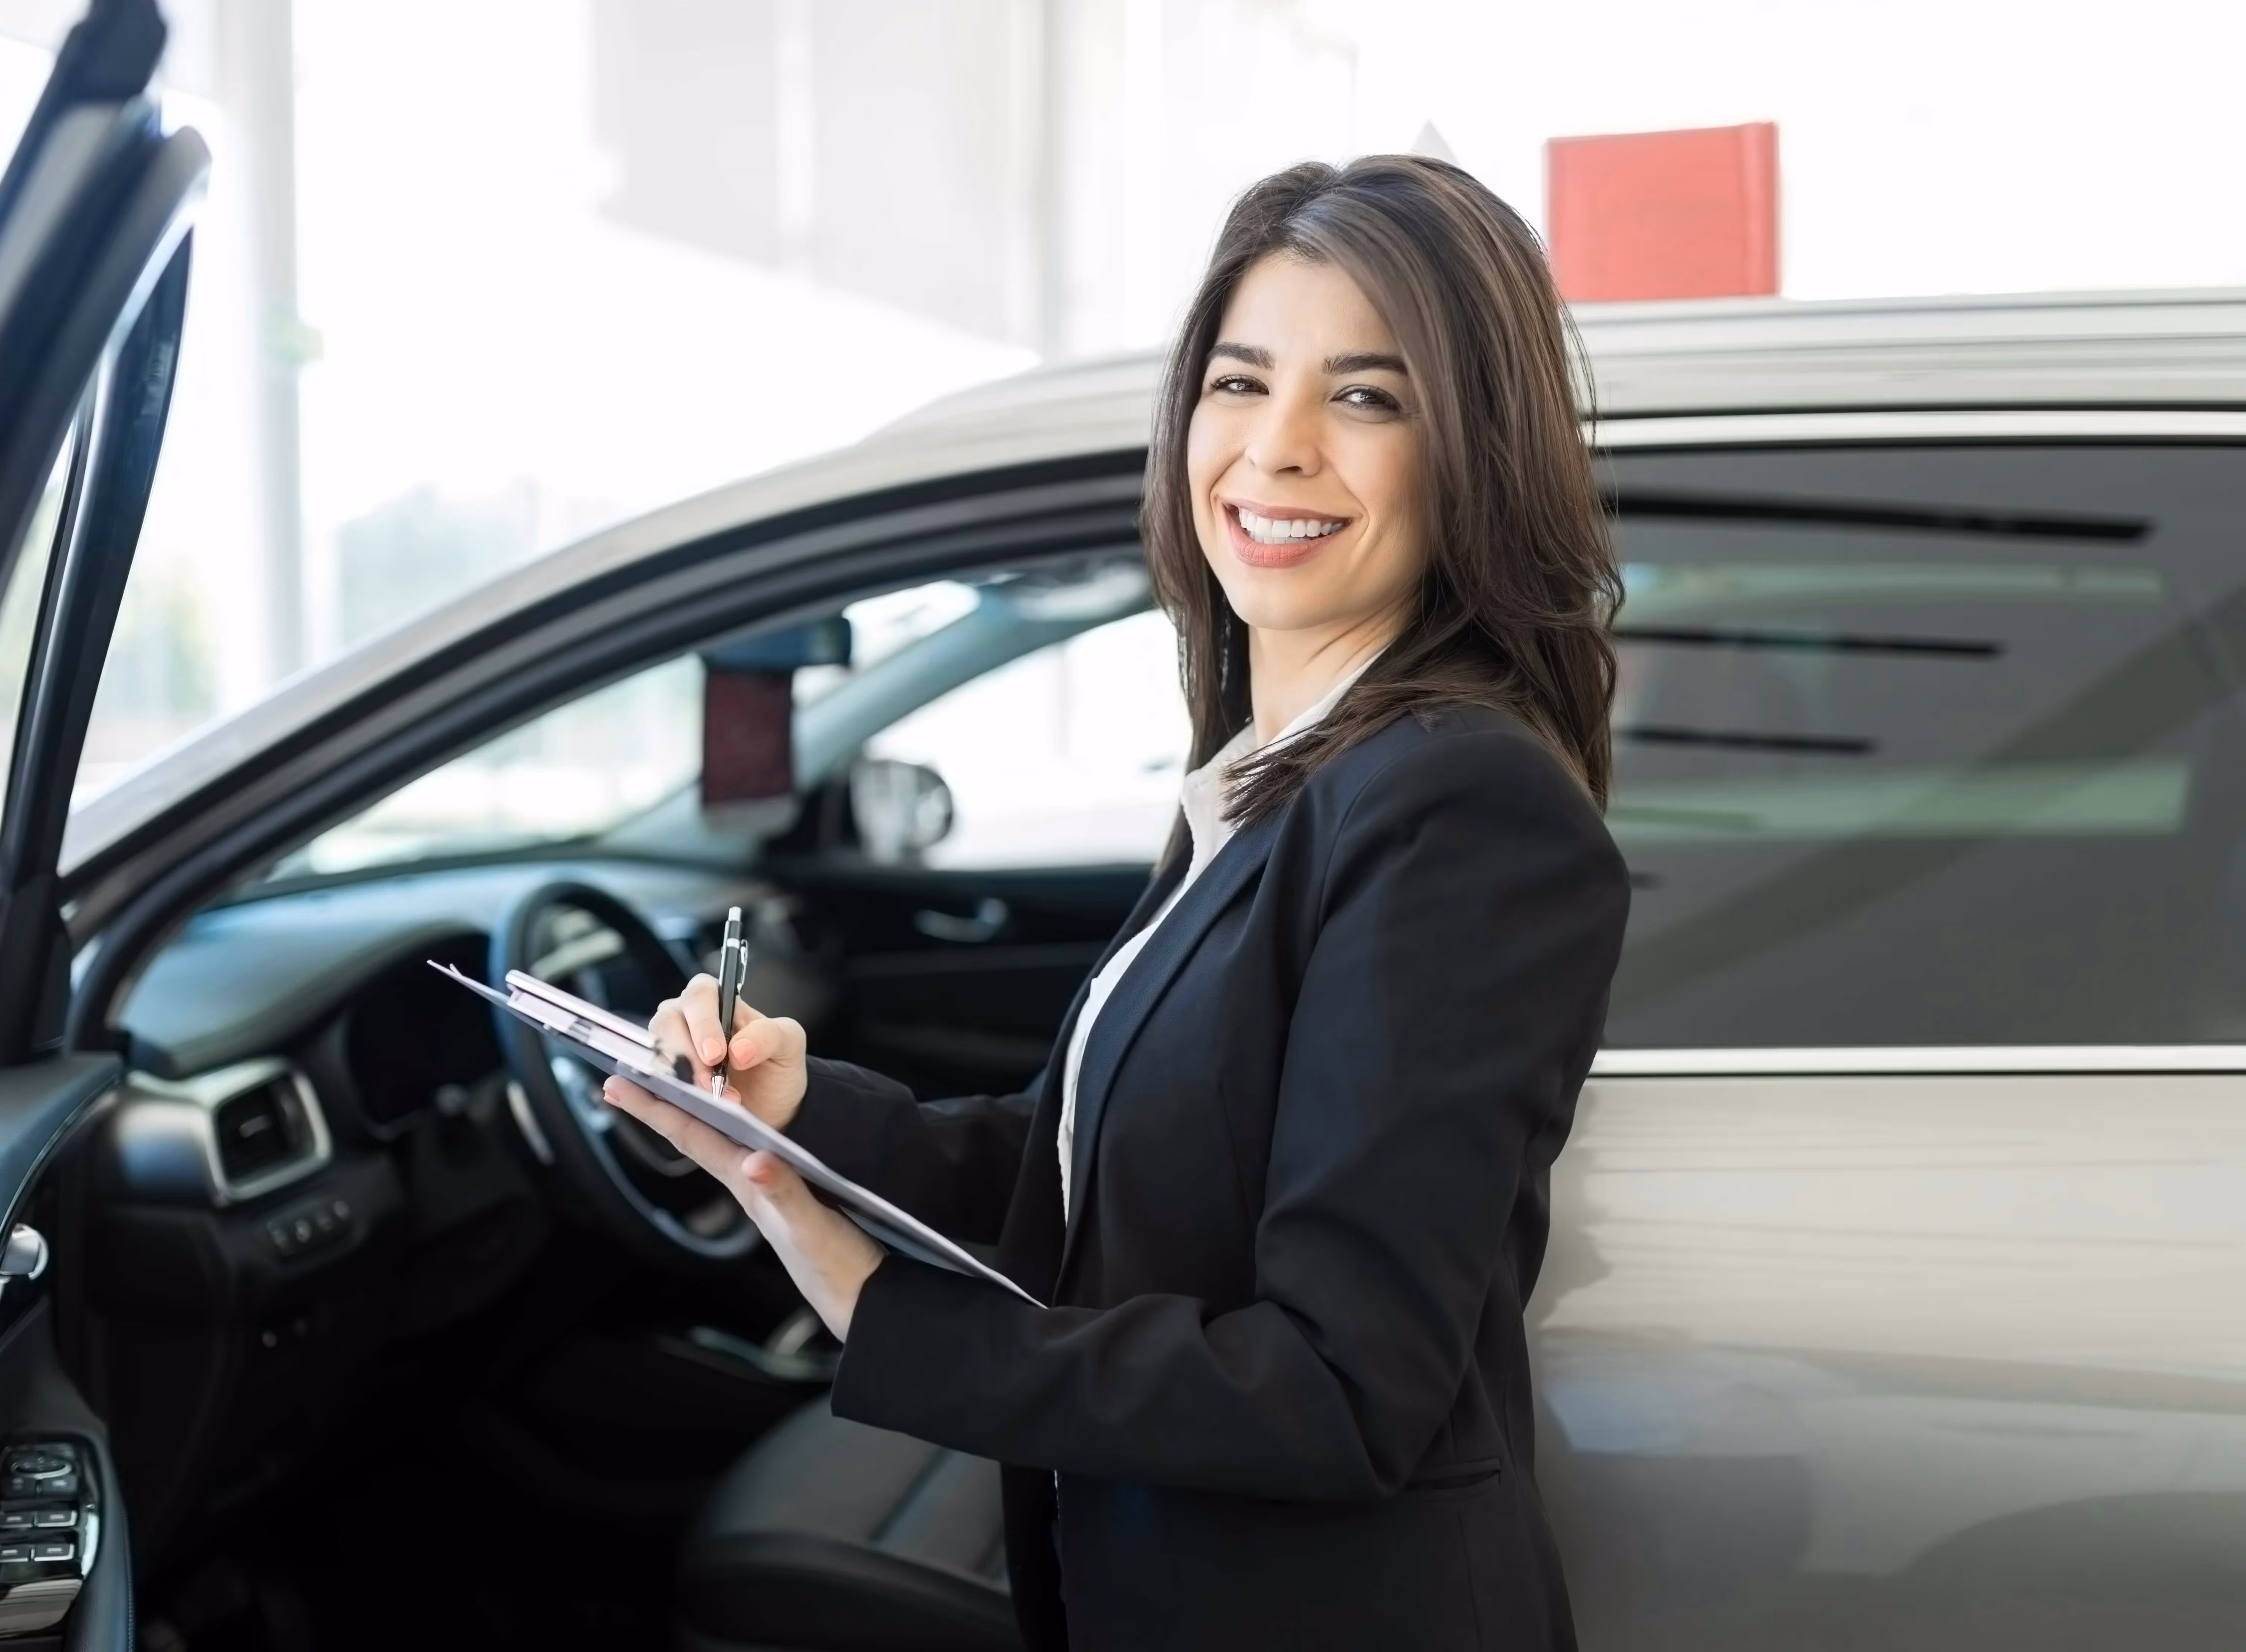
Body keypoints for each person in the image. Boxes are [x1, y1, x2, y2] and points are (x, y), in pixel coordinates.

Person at [605, 155, 1629, 1652]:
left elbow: (1341, 1387)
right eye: (1239, 381)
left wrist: (873, 1300)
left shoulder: (1459, 809)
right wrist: (805, 1112)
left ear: (1472, 451)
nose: (1274, 452)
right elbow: (1103, 1176)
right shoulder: (1280, 772)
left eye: (1367, 397)